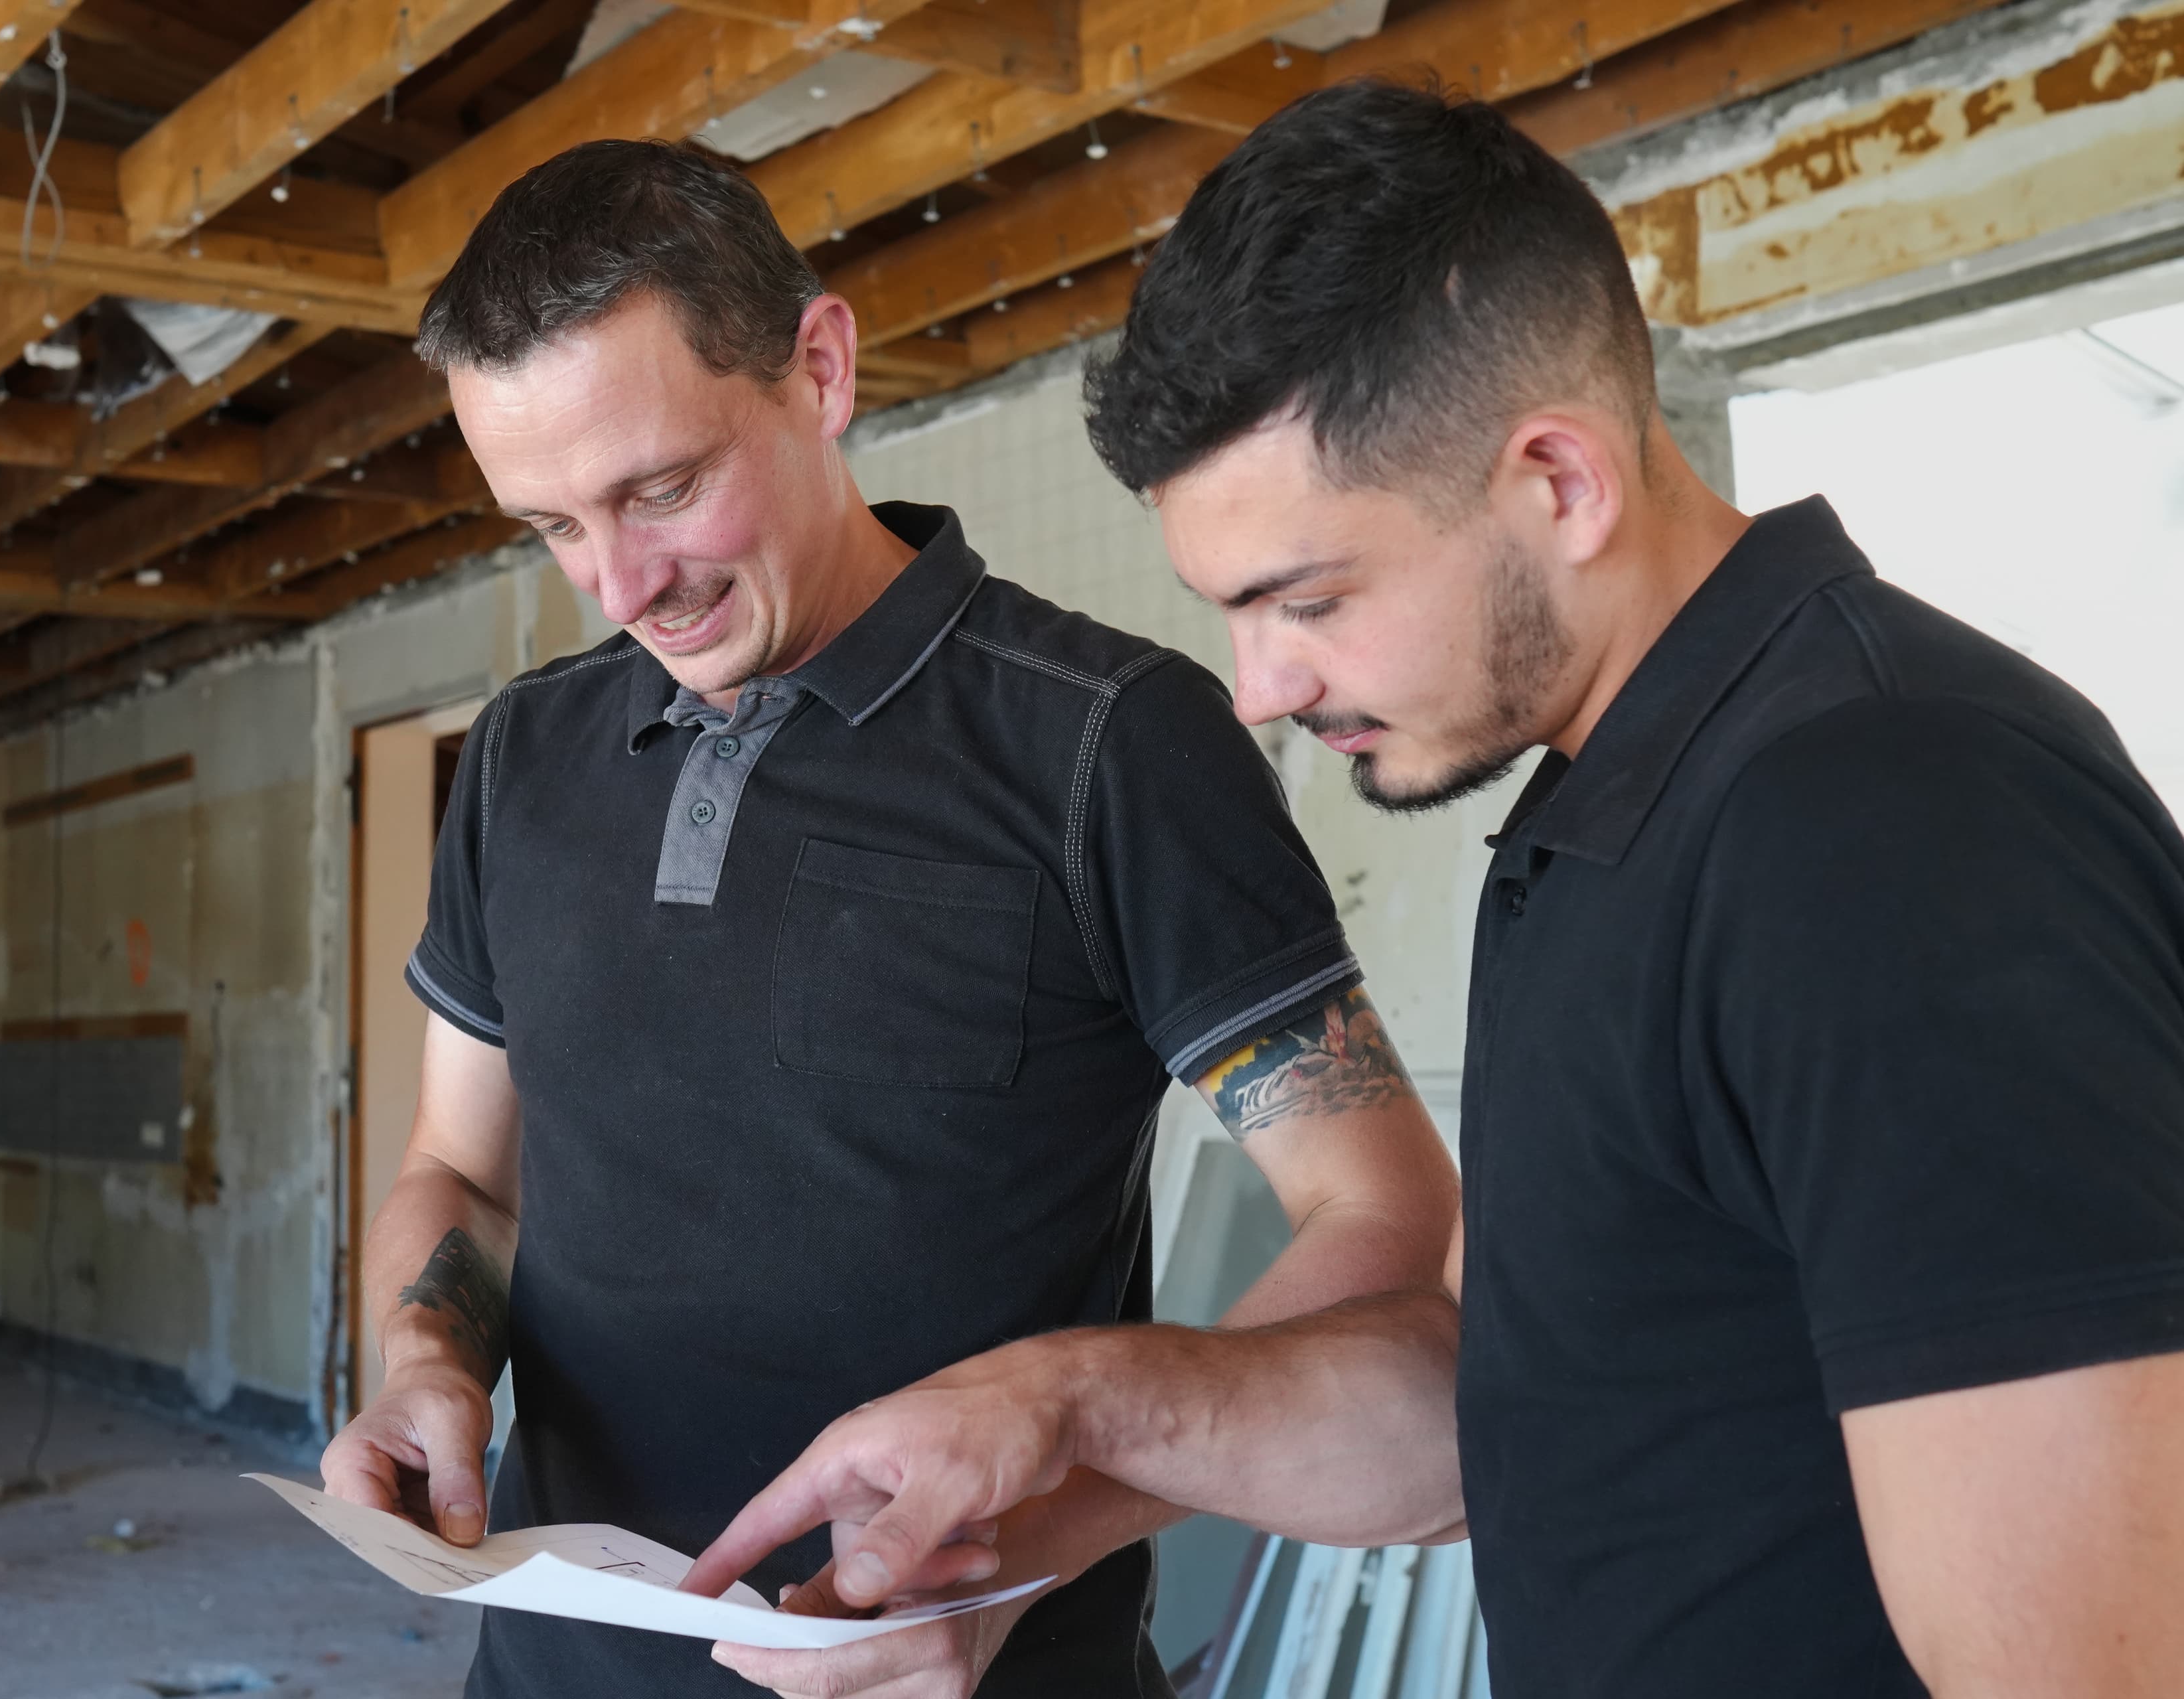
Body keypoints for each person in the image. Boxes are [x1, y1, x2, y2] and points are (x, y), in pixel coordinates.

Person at [686, 81, 2184, 1697]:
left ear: (1558, 478)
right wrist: (1064, 1417)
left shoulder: (1885, 819)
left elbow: (2088, 1663)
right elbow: (1474, 1403)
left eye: (1307, 598)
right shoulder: (1607, 812)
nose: (1257, 688)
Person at [317, 137, 1464, 1699]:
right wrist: (426, 1360)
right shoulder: (524, 755)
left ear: (821, 368)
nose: (623, 584)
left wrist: (1050, 1531)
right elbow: (461, 1169)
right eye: (553, 527)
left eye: (663, 488)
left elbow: (1383, 1218)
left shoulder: (1110, 742)